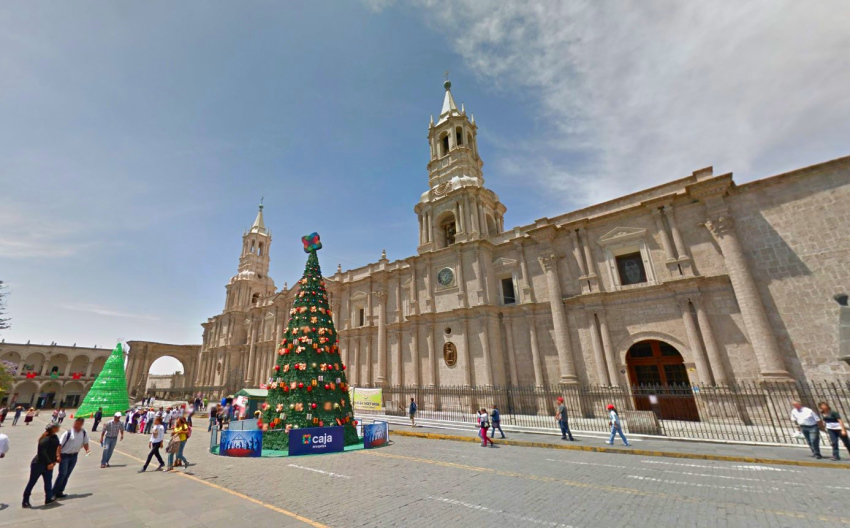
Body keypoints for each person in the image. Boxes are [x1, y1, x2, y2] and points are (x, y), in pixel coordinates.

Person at [22, 423, 60, 508]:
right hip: (38, 464)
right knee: (32, 482)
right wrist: (49, 462)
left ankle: (48, 498)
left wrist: (55, 459)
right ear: (53, 429)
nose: (58, 428)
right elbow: (42, 453)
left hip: (49, 464)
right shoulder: (45, 439)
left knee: (48, 482)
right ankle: (25, 501)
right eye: (57, 427)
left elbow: (55, 449)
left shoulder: (55, 437)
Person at [54, 417, 90, 498]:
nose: (77, 425)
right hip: (65, 456)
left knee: (67, 474)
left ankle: (60, 492)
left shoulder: (83, 432)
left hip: (74, 456)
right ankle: (53, 492)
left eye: (79, 424)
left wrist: (87, 450)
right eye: (76, 423)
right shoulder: (68, 433)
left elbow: (85, 442)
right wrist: (58, 456)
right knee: (62, 474)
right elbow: (59, 445)